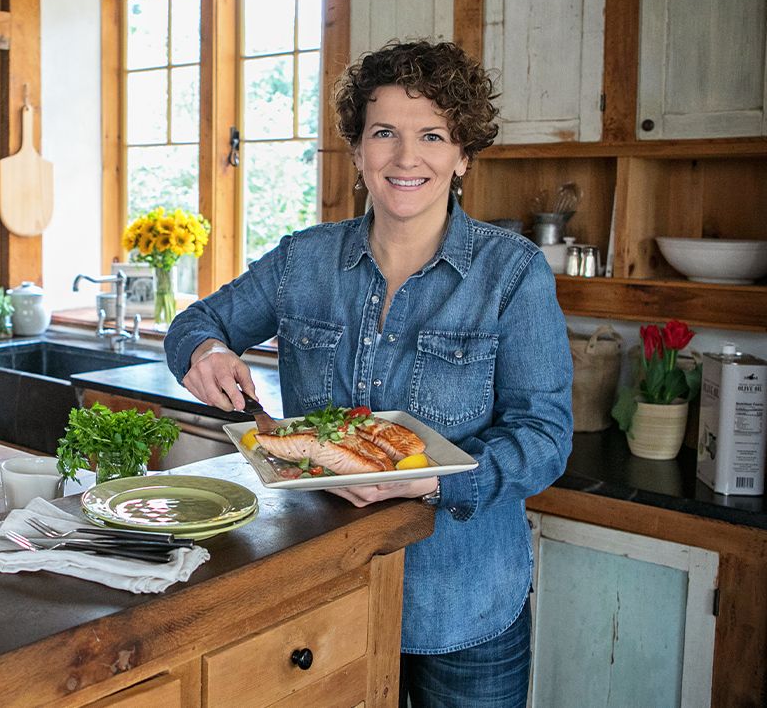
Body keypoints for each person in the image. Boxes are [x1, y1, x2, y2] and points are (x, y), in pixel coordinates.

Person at [164, 40, 573, 706]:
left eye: (432, 136)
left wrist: (429, 482)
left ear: (462, 154)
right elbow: (196, 324)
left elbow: (545, 438)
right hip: (322, 598)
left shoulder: (513, 274)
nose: (406, 158)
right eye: (384, 133)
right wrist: (206, 354)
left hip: (461, 604)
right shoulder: (304, 260)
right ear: (357, 149)